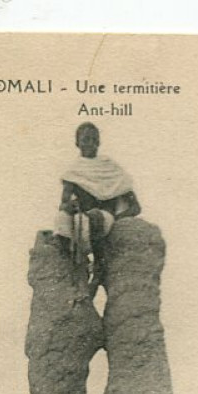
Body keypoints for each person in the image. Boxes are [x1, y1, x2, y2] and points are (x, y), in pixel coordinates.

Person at [53, 123, 141, 298]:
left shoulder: (111, 169)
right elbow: (64, 203)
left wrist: (117, 219)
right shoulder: (73, 172)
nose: (90, 143)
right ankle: (75, 271)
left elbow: (135, 207)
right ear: (77, 143)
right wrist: (70, 207)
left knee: (93, 219)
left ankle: (99, 269)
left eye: (94, 139)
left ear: (99, 142)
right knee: (61, 220)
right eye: (86, 139)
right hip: (80, 220)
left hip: (104, 218)